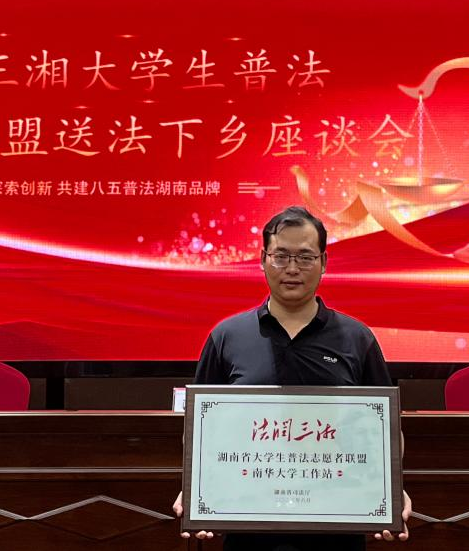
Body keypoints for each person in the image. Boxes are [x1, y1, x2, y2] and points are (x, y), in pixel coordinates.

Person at [173, 205, 411, 550]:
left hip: (337, 524)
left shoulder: (357, 339)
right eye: (281, 256)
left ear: (324, 262)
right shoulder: (227, 337)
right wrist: (196, 486)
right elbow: (202, 429)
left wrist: (390, 487)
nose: (293, 269)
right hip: (250, 525)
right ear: (263, 259)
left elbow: (383, 429)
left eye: (305, 257)